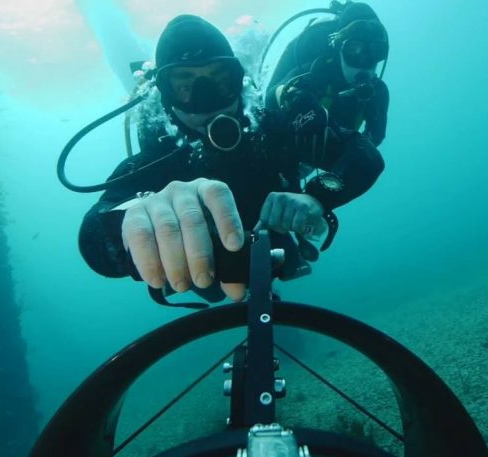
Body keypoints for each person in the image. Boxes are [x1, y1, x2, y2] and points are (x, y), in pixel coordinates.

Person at [79, 14, 384, 303]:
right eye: (185, 86)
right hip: (208, 267)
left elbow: (364, 154)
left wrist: (316, 197)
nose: (206, 99)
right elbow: (94, 236)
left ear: (239, 82)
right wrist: (134, 216)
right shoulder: (161, 155)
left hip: (270, 244)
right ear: (166, 95)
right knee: (209, 287)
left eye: (221, 80)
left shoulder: (273, 128)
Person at [266, 1, 390, 147]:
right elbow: (271, 96)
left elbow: (376, 136)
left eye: (375, 52)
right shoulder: (318, 71)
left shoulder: (378, 93)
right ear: (339, 48)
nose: (363, 60)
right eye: (353, 49)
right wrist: (293, 96)